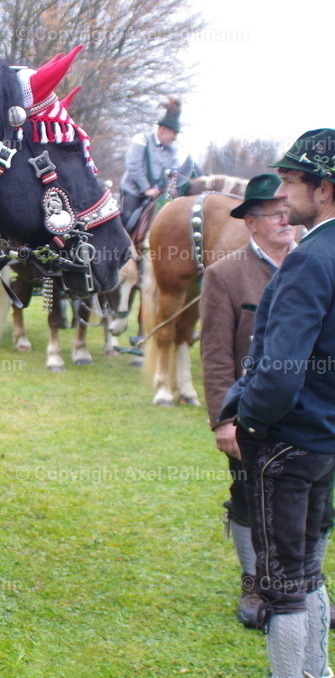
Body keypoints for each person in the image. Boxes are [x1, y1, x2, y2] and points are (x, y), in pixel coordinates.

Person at [221, 129, 335, 678]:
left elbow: (279, 369)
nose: (282, 195)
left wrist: (250, 421)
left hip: (289, 443)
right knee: (308, 570)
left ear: (325, 187)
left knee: (283, 586)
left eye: (290, 181)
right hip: (324, 441)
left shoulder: (310, 259)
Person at [200, 173, 296, 629]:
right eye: (275, 213)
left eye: (288, 211)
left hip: (311, 413)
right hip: (252, 414)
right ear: (251, 221)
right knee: (247, 499)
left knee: (311, 504)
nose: (286, 219)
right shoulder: (224, 275)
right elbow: (216, 354)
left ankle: (301, 583)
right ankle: (254, 583)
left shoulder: (317, 264)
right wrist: (224, 420)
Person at [119, 98, 202, 233]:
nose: (175, 137)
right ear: (163, 130)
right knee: (127, 221)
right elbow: (134, 166)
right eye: (174, 133)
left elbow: (171, 172)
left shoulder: (172, 150)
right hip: (134, 191)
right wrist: (146, 189)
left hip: (157, 194)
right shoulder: (142, 140)